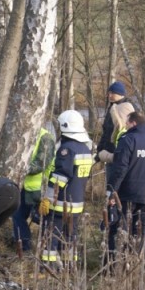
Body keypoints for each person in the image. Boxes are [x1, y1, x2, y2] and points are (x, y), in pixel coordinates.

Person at [105, 111, 145, 263]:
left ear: (134, 123)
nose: (125, 126)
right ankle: (140, 262)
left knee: (122, 229)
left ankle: (119, 263)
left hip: (127, 195)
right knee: (142, 230)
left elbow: (120, 169)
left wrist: (111, 191)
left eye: (127, 123)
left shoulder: (128, 139)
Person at [39, 110, 94, 271]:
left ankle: (48, 265)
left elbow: (60, 177)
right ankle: (70, 265)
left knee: (52, 233)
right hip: (77, 202)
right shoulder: (85, 149)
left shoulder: (67, 149)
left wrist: (48, 197)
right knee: (70, 234)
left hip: (60, 201)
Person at [11, 123, 56, 253]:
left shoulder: (45, 138)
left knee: (39, 218)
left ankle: (50, 245)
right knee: (18, 215)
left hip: (38, 188)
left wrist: (20, 168)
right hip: (25, 186)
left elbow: (40, 164)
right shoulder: (23, 135)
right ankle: (24, 247)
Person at [95, 81, 135, 185]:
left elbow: (123, 131)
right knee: (111, 184)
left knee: (114, 186)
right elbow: (106, 132)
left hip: (119, 153)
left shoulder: (125, 108)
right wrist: (100, 150)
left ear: (120, 94)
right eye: (109, 93)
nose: (109, 95)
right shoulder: (112, 107)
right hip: (110, 152)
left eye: (112, 93)